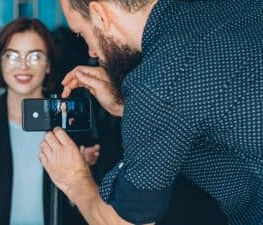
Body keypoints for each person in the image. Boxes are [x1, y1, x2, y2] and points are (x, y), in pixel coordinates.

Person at [39, 0, 263, 225]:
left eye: (81, 33)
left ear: (100, 14)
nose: (92, 51)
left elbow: (126, 222)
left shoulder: (157, 84)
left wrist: (75, 180)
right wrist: (127, 106)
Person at [0, 18, 100, 225]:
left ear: (48, 64)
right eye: (12, 56)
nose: (23, 66)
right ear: (0, 62)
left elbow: (89, 207)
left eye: (35, 56)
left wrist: (81, 179)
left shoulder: (70, 120)